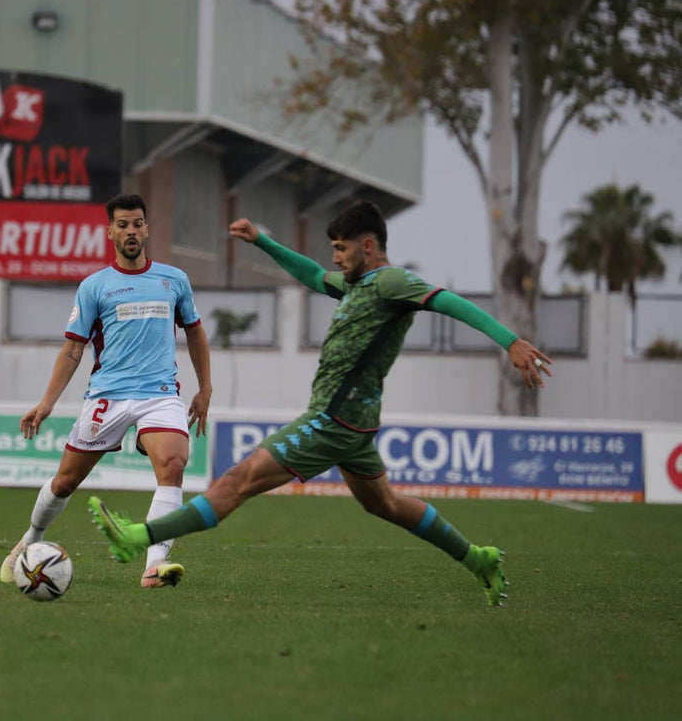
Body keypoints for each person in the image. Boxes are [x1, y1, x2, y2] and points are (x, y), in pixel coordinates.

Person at [89, 200, 554, 606]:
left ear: (368, 246)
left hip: (332, 421)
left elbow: (450, 302)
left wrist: (510, 341)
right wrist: (263, 243)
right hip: (354, 426)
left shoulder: (392, 283)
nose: (334, 257)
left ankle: (140, 538)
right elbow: (312, 275)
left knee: (238, 480)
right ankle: (479, 559)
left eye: (341, 248)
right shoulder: (357, 284)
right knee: (386, 505)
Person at [0, 192, 213, 589]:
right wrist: (47, 402)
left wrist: (205, 388)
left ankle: (154, 565)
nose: (130, 231)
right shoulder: (94, 286)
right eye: (122, 224)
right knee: (65, 481)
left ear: (147, 229)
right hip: (107, 396)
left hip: (160, 393)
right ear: (110, 232)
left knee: (173, 465)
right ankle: (30, 539)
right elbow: (73, 348)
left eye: (137, 223)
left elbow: (196, 332)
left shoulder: (174, 279)